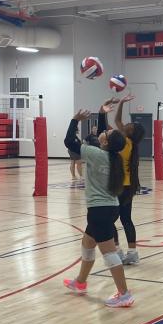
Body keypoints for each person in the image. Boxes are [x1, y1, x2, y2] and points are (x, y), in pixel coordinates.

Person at [62, 101, 134, 308]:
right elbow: (104, 136)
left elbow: (69, 142)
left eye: (108, 133)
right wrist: (102, 114)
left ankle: (124, 294)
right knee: (87, 246)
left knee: (110, 254)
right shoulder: (114, 157)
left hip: (99, 212)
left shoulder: (96, 154)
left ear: (105, 143)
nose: (106, 132)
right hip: (108, 209)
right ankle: (81, 282)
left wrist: (75, 120)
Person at [111, 93, 146, 265]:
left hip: (117, 187)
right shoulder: (132, 144)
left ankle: (117, 251)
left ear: (130, 131)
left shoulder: (123, 142)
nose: (127, 124)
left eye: (130, 125)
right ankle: (132, 253)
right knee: (126, 220)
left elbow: (117, 121)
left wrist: (122, 104)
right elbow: (118, 121)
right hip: (128, 187)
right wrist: (122, 103)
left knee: (110, 220)